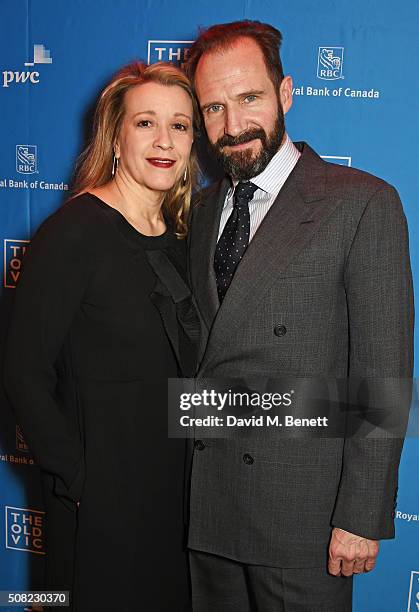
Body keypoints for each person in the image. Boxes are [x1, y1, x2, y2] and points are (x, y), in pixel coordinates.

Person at [184, 20, 414, 611]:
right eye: (213, 107)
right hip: (207, 510)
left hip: (303, 522)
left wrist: (362, 516)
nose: (233, 126)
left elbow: (383, 373)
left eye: (249, 98)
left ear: (286, 93)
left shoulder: (362, 202)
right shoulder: (201, 212)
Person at [3, 60, 200, 611]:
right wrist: (79, 480)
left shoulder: (186, 241)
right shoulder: (74, 232)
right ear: (116, 136)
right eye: (146, 123)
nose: (164, 141)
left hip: (176, 502)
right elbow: (23, 373)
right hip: (102, 506)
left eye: (180, 126)